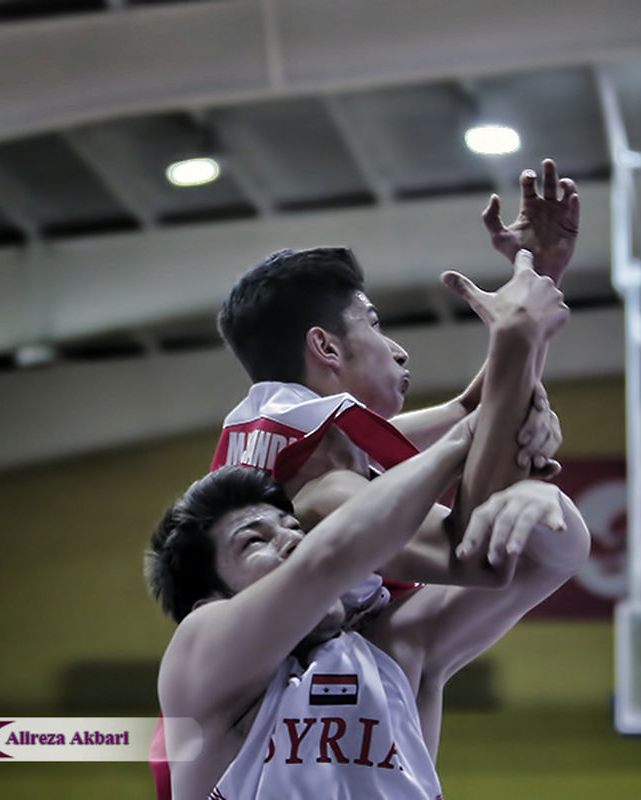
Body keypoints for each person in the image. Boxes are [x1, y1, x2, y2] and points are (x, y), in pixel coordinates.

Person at [148, 160, 579, 797]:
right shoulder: (317, 490)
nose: (399, 349)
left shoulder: (303, 438)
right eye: (375, 323)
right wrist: (516, 352)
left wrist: (533, 281)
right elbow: (474, 543)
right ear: (325, 348)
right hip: (239, 701)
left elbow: (474, 413)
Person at [147, 412, 590, 799]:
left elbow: (549, 562)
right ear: (212, 601)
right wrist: (463, 437)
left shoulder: (391, 650)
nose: (293, 538)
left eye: (290, 526)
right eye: (254, 541)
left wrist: (544, 502)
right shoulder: (199, 657)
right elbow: (326, 560)